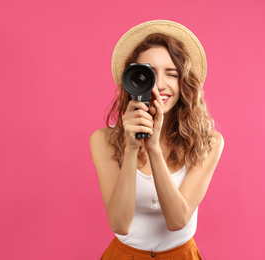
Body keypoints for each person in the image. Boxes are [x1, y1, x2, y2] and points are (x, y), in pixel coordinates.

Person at [90, 20, 224, 259]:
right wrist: (131, 149)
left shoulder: (209, 142)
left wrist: (153, 148)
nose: (160, 85)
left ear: (184, 83)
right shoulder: (104, 140)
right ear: (133, 79)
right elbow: (120, 224)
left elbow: (178, 220)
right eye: (148, 74)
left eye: (172, 74)